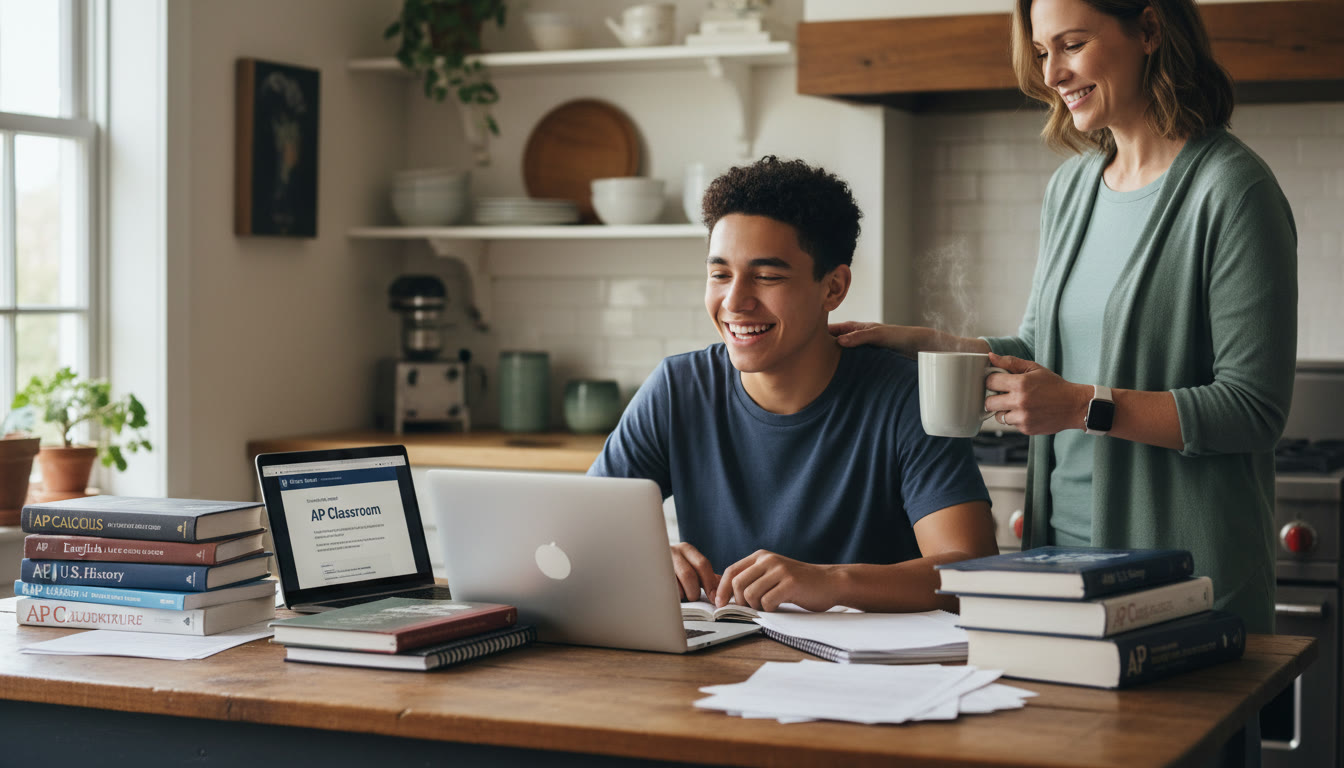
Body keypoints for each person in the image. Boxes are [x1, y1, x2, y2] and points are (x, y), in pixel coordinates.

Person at [832, 0, 1296, 639]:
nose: (1052, 74)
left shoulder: (1232, 190)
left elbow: (1253, 410)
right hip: (1062, 569)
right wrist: (917, 343)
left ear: (1151, 30)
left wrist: (1083, 408)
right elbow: (1040, 349)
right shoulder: (1072, 189)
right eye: (1044, 51)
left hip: (1186, 582)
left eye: (1072, 45)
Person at [589, 156, 998, 614]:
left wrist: (832, 581)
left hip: (872, 677)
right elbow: (580, 530)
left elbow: (973, 572)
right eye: (720, 274)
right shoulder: (677, 389)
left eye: (767, 277)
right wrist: (643, 557)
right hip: (718, 667)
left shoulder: (906, 397)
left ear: (833, 288)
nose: (735, 301)